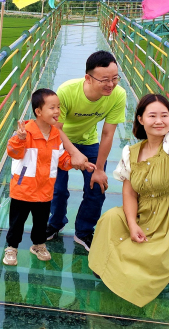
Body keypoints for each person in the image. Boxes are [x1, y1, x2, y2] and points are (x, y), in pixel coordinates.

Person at [88, 93, 169, 307]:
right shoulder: (131, 152)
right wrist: (132, 223)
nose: (159, 121)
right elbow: (129, 193)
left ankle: (126, 286)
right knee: (110, 219)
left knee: (143, 257)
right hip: (141, 211)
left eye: (165, 115)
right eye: (152, 115)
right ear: (140, 119)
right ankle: (108, 272)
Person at [47, 50, 127, 252]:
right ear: (88, 79)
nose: (111, 84)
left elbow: (108, 133)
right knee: (57, 190)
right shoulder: (67, 91)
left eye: (115, 78)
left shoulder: (118, 95)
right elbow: (56, 129)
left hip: (89, 141)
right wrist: (73, 153)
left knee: (97, 187)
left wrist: (99, 168)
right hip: (60, 141)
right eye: (105, 80)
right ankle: (55, 224)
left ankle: (83, 232)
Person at [4, 88, 95, 265]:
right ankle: (11, 248)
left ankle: (38, 245)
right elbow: (13, 152)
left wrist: (80, 164)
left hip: (45, 190)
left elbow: (61, 159)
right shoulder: (25, 133)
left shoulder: (55, 135)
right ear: (38, 112)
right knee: (17, 222)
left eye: (58, 107)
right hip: (23, 189)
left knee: (41, 222)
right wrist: (20, 139)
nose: (57, 112)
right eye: (52, 108)